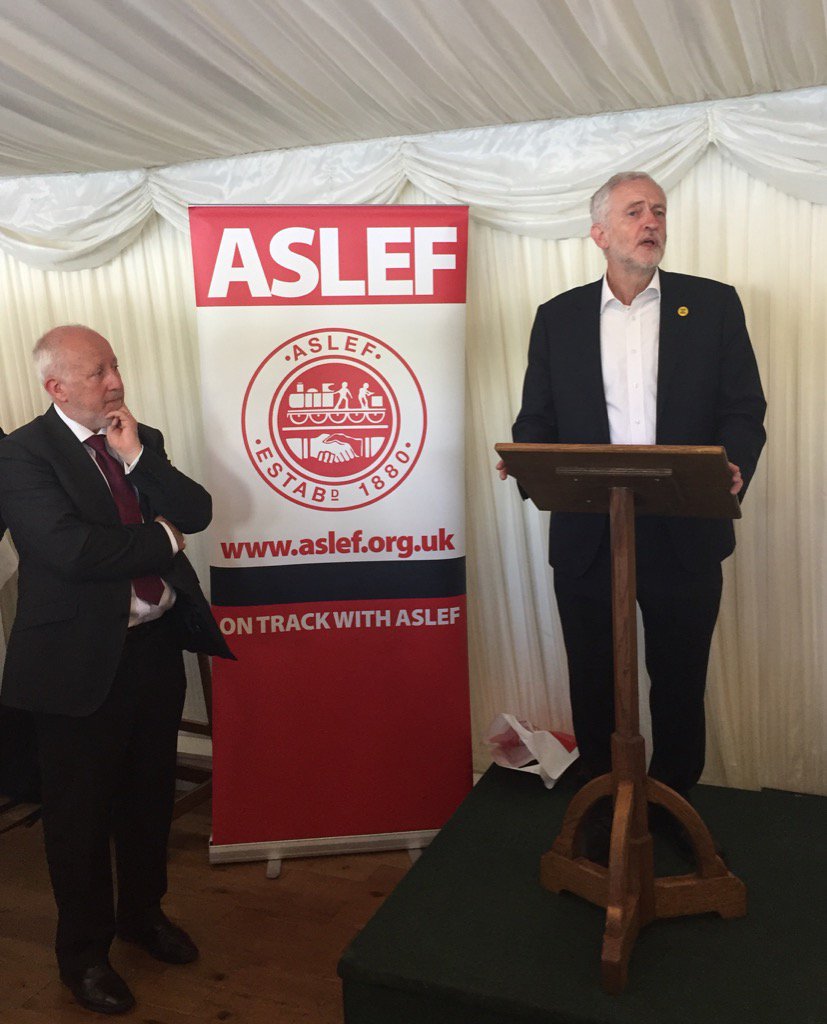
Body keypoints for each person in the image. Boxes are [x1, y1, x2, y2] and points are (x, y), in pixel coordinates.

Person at [498, 172, 766, 857]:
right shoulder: (557, 317)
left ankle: (673, 806)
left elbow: (744, 408)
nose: (651, 222)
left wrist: (733, 464)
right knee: (593, 678)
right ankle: (601, 801)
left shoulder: (712, 305)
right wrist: (526, 460)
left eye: (658, 212)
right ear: (599, 233)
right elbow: (537, 418)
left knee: (679, 679)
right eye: (634, 212)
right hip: (589, 535)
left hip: (685, 530)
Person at [0, 325, 233, 1015]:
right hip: (73, 666)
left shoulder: (137, 437)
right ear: (56, 386)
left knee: (147, 797)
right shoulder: (21, 454)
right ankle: (84, 955)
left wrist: (136, 459)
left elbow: (197, 510)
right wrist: (161, 539)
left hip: (153, 650)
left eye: (115, 366)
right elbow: (71, 550)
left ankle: (143, 915)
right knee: (78, 818)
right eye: (98, 372)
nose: (115, 382)